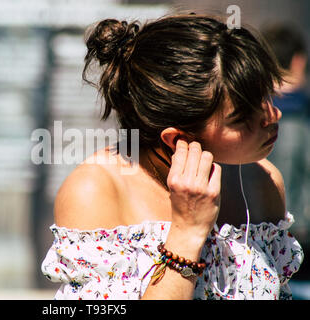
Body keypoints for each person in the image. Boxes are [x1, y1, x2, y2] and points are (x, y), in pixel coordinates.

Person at [41, 12, 304, 300]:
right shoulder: (95, 190)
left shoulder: (262, 179)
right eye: (241, 118)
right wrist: (186, 234)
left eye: (265, 96)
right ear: (179, 139)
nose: (273, 115)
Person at [262, 24, 309, 248]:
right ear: (299, 61)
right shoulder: (303, 116)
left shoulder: (244, 120)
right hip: (301, 237)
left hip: (257, 235)